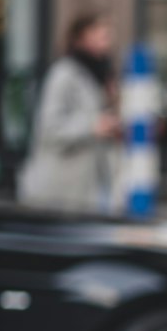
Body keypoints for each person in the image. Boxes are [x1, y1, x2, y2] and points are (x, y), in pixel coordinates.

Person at [19, 12, 122, 212]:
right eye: (99, 33)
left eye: (108, 34)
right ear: (80, 37)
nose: (106, 40)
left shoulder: (102, 75)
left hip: (91, 188)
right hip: (58, 192)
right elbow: (49, 127)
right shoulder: (63, 74)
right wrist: (93, 126)